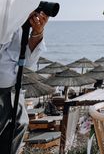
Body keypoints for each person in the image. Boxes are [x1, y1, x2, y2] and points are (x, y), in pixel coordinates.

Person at [0, 11, 49, 154]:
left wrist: (37, 32)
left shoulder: (18, 18)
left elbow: (28, 60)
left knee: (20, 124)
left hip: (12, 89)